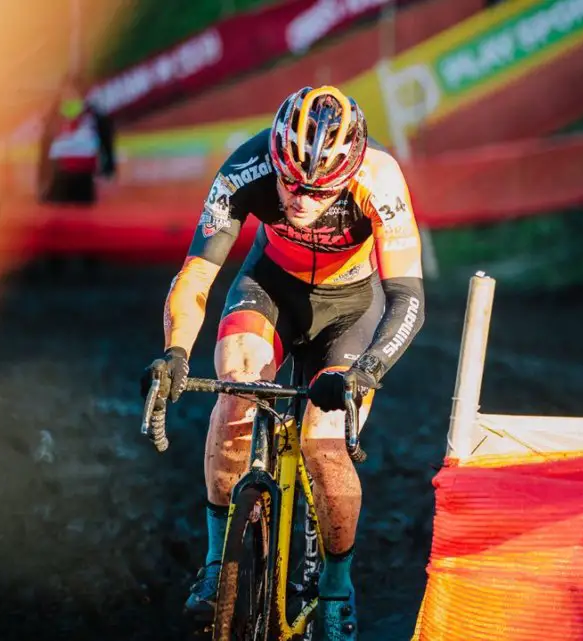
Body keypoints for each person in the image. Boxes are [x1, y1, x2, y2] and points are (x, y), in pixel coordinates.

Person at [140, 85, 426, 640]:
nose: (299, 198)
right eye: (289, 181)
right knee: (236, 393)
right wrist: (176, 352)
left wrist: (367, 372)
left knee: (325, 444)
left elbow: (408, 299)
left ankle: (338, 590)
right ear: (274, 155)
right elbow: (196, 275)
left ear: (347, 174)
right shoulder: (243, 169)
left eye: (318, 191)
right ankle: (214, 564)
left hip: (353, 309)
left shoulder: (380, 180)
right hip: (269, 288)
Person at [37, 75, 116, 205]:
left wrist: (108, 171)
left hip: (84, 179)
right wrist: (42, 182)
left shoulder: (94, 116)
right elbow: (45, 152)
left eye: (74, 93)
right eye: (66, 93)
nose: (70, 96)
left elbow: (107, 145)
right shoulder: (54, 117)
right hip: (59, 178)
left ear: (82, 94)